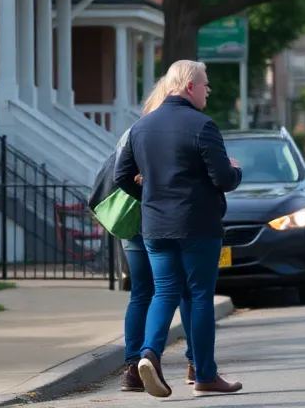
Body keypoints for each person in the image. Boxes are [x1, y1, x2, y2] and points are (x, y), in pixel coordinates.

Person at [115, 60, 243, 398]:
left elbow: (121, 176)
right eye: (205, 85)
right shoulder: (202, 125)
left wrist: (152, 195)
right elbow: (223, 179)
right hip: (197, 224)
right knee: (200, 295)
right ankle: (205, 374)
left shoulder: (141, 127)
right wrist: (235, 170)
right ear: (189, 86)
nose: (208, 91)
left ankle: (148, 354)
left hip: (155, 225)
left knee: (164, 292)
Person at [108, 78, 195, 392]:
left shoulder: (135, 131)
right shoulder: (179, 130)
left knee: (142, 293)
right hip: (168, 222)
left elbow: (120, 175)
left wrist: (142, 187)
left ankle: (133, 368)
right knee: (183, 290)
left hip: (136, 223)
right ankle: (195, 362)